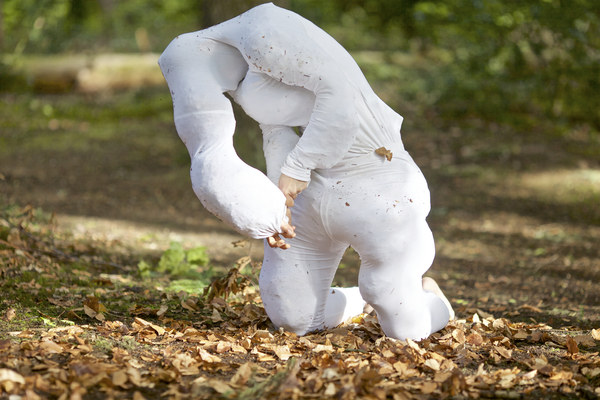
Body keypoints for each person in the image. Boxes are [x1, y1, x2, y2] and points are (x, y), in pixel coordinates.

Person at [159, 2, 454, 340]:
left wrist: (299, 166)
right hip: (314, 190)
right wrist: (276, 209)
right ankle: (362, 301)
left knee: (401, 323)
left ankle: (432, 302)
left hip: (374, 176)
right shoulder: (235, 77)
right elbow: (273, 133)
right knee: (294, 317)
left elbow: (340, 98)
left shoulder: (263, 33)